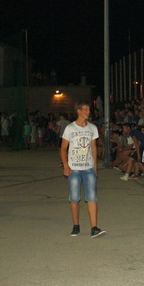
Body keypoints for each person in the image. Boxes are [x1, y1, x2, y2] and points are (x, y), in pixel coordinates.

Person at [60, 102, 105, 238]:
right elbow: (63, 148)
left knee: (92, 197)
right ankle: (76, 225)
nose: (88, 111)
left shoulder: (92, 128)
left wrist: (95, 167)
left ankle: (94, 227)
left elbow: (94, 148)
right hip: (74, 168)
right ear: (78, 111)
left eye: (89, 109)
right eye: (85, 109)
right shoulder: (70, 128)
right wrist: (66, 165)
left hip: (88, 167)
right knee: (74, 197)